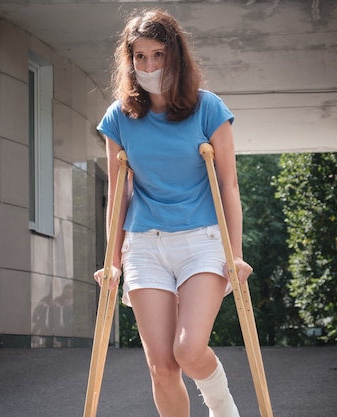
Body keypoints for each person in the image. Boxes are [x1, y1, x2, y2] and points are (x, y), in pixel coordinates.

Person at [93, 8, 253, 417]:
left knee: (188, 350)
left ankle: (221, 406)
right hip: (146, 245)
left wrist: (234, 253)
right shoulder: (119, 117)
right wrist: (111, 261)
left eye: (158, 55)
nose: (149, 65)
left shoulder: (208, 109)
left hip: (202, 242)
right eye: (140, 57)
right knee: (162, 368)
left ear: (175, 55)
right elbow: (118, 192)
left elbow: (228, 185)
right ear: (129, 61)